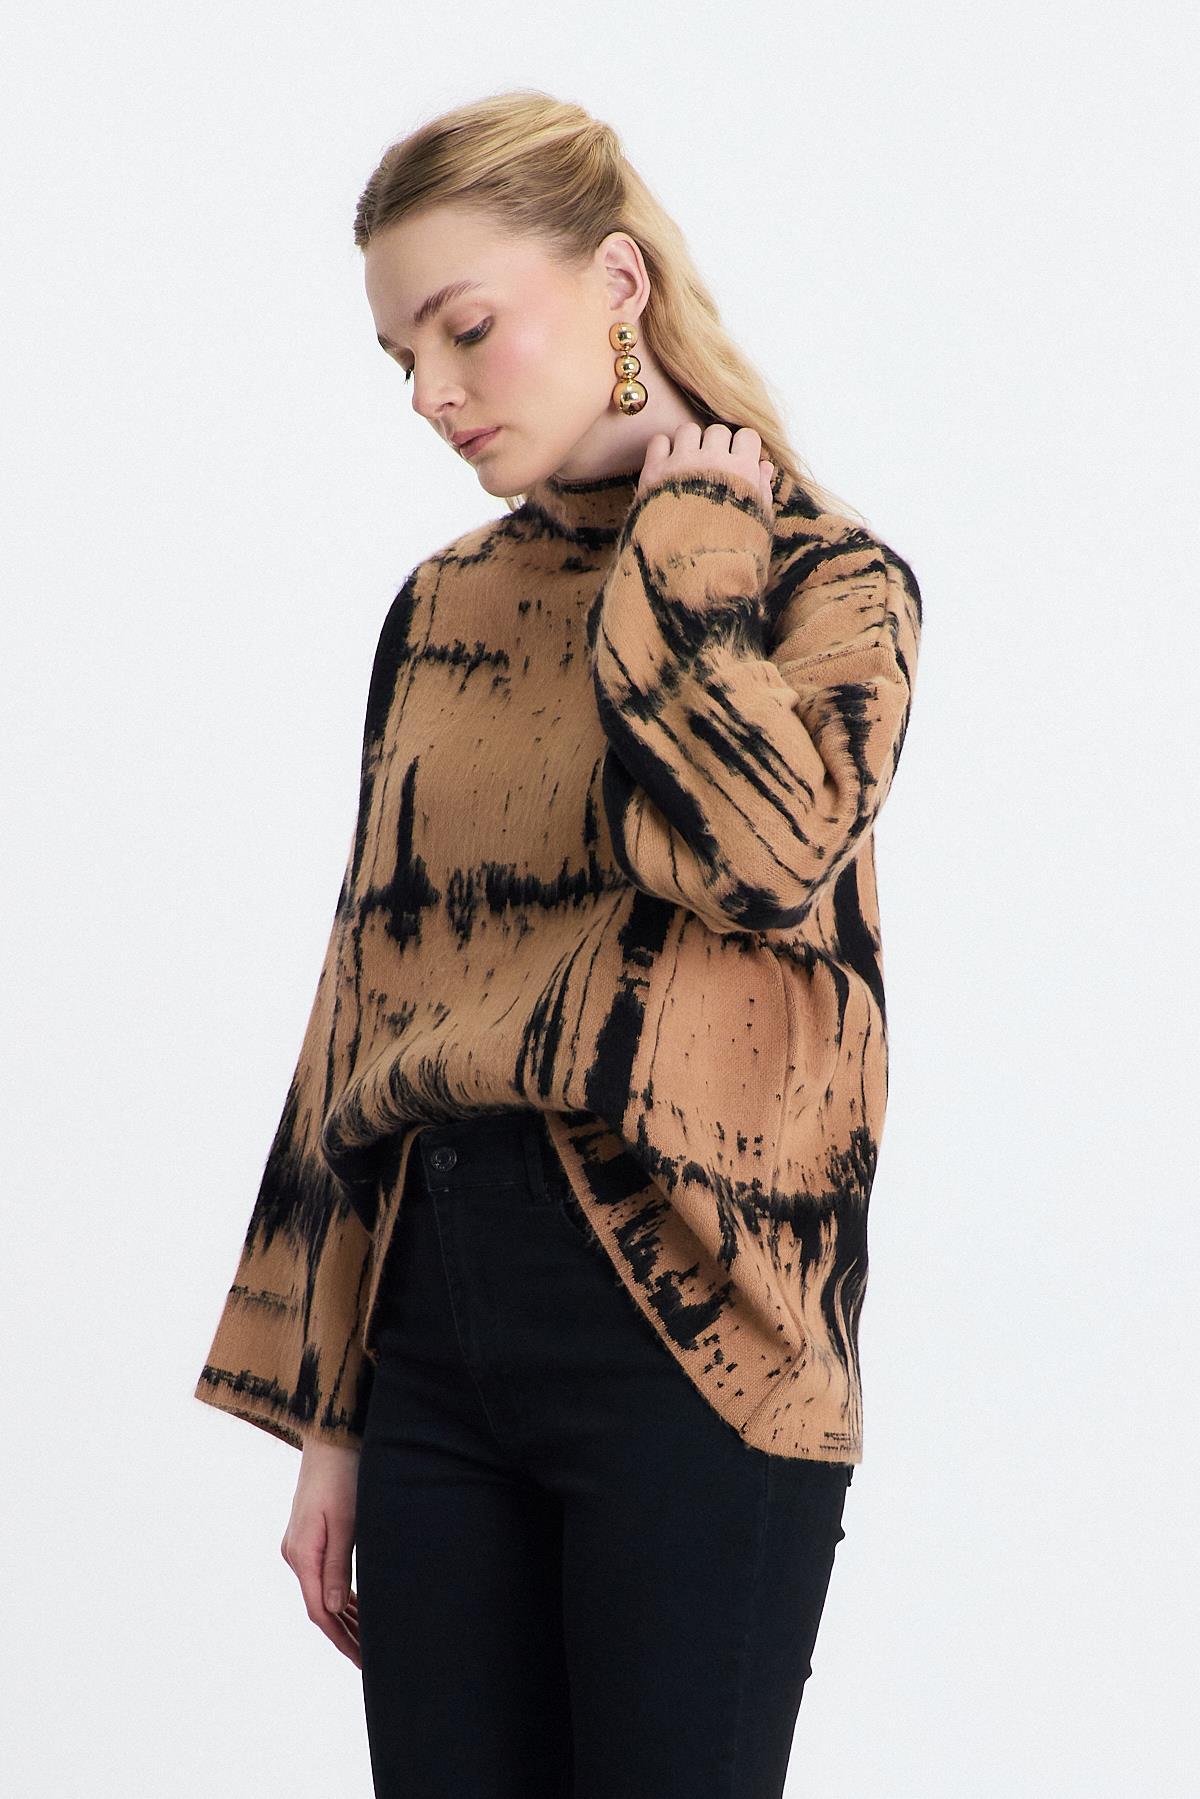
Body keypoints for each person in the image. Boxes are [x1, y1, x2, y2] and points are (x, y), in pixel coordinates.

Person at [194, 88, 923, 1799]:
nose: (433, 395)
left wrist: (687, 554)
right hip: (435, 1320)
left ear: (617, 283)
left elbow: (758, 860)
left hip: (700, 1324)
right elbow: (365, 986)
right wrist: (332, 1411)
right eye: (403, 359)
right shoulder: (441, 606)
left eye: (465, 330)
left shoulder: (826, 584)